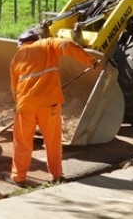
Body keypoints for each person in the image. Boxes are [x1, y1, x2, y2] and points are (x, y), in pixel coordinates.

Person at [6, 29, 98, 187]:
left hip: (25, 106)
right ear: (36, 39)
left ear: (21, 44)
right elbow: (68, 44)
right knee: (53, 141)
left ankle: (18, 178)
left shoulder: (16, 57)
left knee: (22, 143)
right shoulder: (47, 44)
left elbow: (15, 90)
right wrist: (90, 61)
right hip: (50, 105)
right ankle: (56, 176)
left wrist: (20, 106)